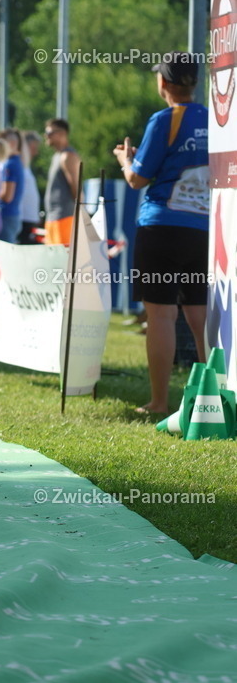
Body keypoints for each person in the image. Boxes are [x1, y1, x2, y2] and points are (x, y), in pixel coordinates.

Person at [113, 52, 209, 417]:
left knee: (162, 317)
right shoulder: (215, 121)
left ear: (163, 83)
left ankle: (159, 402)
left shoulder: (164, 119)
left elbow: (138, 178)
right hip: (203, 230)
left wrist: (126, 158)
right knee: (201, 318)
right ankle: (213, 400)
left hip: (161, 227)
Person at [43, 118, 80, 246]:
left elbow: (77, 188)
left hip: (65, 218)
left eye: (49, 133)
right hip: (54, 218)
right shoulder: (57, 156)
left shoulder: (68, 156)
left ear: (62, 133)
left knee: (63, 261)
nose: (46, 136)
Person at [0, 128, 24, 243]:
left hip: (6, 216)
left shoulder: (10, 164)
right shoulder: (16, 162)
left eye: (1, 144)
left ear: (11, 144)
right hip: (12, 216)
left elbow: (7, 196)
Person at [18, 130, 41, 244]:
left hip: (28, 219)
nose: (36, 152)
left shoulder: (25, 165)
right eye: (33, 147)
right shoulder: (19, 164)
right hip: (23, 219)